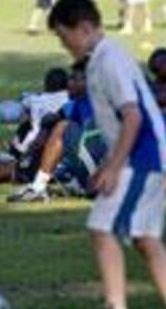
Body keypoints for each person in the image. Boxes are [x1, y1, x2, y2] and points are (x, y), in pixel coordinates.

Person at [47, 0, 166, 309]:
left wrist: (114, 166)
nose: (63, 43)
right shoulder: (102, 57)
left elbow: (133, 115)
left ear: (84, 28)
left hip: (142, 159)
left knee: (103, 227)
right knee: (145, 239)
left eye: (63, 35)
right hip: (142, 157)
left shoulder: (109, 60)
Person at [7, 61, 107, 203]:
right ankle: (74, 183)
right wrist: (42, 131)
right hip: (93, 163)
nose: (68, 84)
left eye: (73, 79)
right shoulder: (76, 104)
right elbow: (50, 118)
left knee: (63, 127)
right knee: (58, 126)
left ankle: (38, 186)